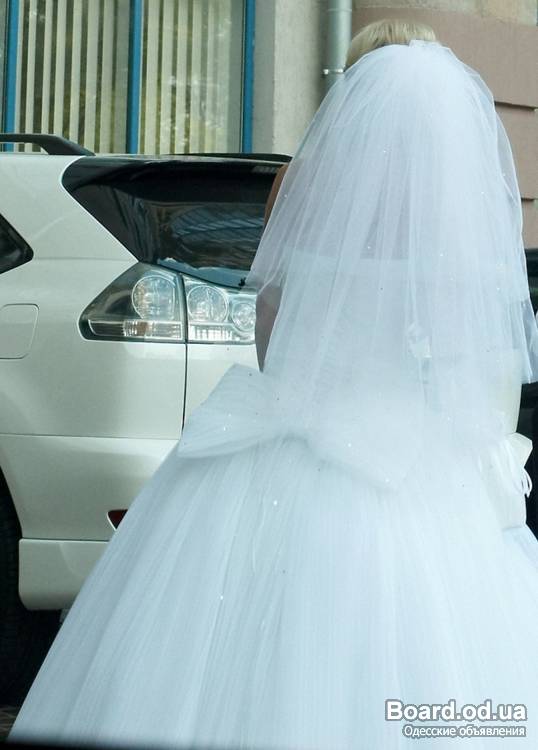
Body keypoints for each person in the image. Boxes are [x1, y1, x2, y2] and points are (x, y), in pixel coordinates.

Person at [8, 19, 538, 750]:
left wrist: (300, 388)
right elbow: (466, 346)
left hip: (298, 429)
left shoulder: (306, 177)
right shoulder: (455, 201)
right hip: (416, 454)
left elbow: (270, 320)